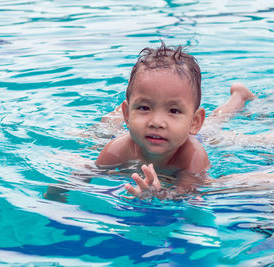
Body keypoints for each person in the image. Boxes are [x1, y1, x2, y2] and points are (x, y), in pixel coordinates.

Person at [95, 42, 255, 199]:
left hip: (199, 137)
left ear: (194, 122)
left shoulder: (193, 156)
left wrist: (160, 195)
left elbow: (186, 195)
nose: (156, 122)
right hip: (178, 131)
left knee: (216, 122)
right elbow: (83, 177)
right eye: (144, 108)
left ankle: (239, 97)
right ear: (128, 115)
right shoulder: (117, 149)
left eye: (173, 111)